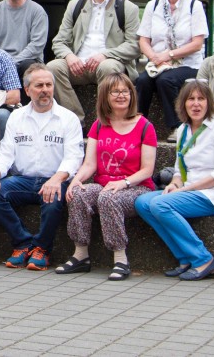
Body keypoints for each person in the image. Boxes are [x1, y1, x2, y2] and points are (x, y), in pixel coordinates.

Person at [0, 64, 84, 271]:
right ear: (27, 90)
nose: (45, 89)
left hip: (56, 180)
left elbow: (74, 157)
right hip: (24, 180)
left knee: (53, 197)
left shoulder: (68, 118)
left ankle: (42, 249)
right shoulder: (16, 117)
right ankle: (23, 243)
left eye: (48, 85)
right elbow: (6, 152)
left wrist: (56, 179)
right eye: (39, 85)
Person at [135, 79, 214, 280]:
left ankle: (203, 259)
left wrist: (183, 191)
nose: (196, 104)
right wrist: (175, 183)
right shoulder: (183, 129)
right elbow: (179, 168)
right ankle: (184, 258)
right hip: (191, 190)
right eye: (191, 99)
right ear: (183, 104)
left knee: (161, 205)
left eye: (201, 99)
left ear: (209, 102)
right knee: (143, 203)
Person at [58, 73, 157, 280]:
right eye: (115, 92)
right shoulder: (99, 125)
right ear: (106, 96)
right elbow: (90, 164)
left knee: (108, 197)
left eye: (125, 91)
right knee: (78, 193)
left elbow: (147, 170)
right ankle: (81, 255)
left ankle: (120, 258)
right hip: (105, 184)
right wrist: (77, 179)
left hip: (136, 187)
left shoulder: (145, 126)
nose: (121, 95)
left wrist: (123, 182)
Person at [47, 0, 141, 122]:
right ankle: (75, 120)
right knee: (52, 67)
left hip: (110, 63)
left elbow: (134, 45)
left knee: (108, 67)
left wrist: (105, 55)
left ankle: (104, 121)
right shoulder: (75, 6)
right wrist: (69, 57)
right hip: (78, 65)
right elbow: (59, 41)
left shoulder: (128, 8)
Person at [135, 0, 209, 132]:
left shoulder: (194, 6)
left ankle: (178, 127)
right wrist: (154, 57)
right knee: (143, 81)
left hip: (187, 63)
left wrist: (168, 55)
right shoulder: (153, 6)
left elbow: (197, 44)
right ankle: (139, 124)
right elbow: (143, 40)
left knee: (166, 81)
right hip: (158, 63)